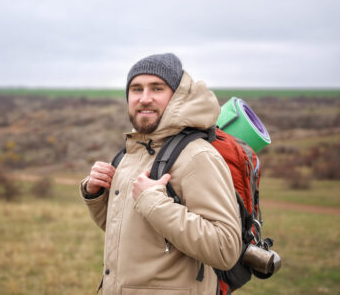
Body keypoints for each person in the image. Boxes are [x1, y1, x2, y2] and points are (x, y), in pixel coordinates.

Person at [80, 53, 242, 295]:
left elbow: (225, 248)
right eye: (136, 89)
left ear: (176, 96)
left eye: (157, 88)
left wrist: (153, 203)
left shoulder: (197, 156)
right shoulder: (132, 153)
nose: (145, 98)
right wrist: (95, 195)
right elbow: (130, 232)